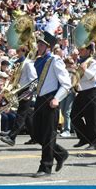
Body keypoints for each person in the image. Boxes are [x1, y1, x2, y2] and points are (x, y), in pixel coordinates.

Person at [32, 28, 71, 177]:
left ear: (48, 46)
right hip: (40, 99)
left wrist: (57, 98)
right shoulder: (39, 61)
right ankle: (60, 153)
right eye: (39, 44)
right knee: (36, 134)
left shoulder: (55, 60)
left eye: (41, 44)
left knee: (48, 135)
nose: (39, 47)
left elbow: (66, 83)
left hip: (50, 100)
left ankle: (45, 167)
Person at [0, 45, 37, 146]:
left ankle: (12, 137)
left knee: (21, 114)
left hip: (26, 90)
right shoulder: (19, 63)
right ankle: (35, 137)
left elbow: (34, 79)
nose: (17, 52)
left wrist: (30, 92)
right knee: (28, 114)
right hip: (19, 90)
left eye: (19, 50)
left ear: (24, 51)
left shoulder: (28, 63)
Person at [71, 43, 96, 150]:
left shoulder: (93, 63)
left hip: (92, 92)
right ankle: (84, 138)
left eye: (82, 49)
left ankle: (94, 142)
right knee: (74, 116)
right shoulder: (80, 62)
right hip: (81, 92)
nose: (80, 50)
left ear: (89, 51)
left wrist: (85, 70)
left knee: (91, 118)